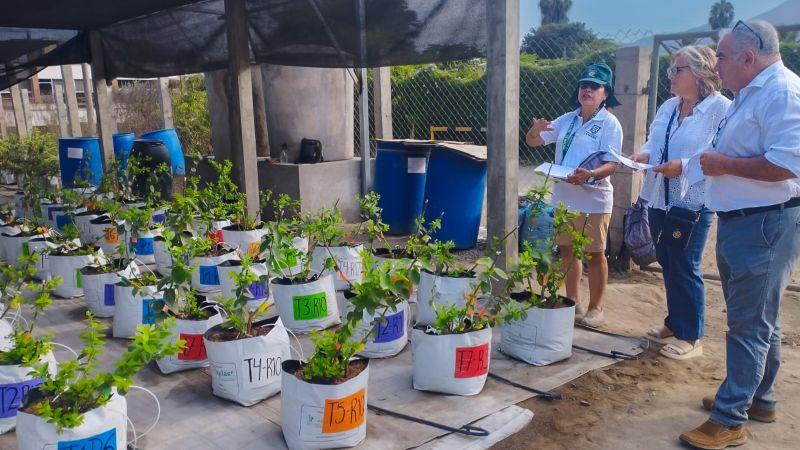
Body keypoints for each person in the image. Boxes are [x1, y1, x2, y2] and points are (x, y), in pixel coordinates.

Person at [679, 21, 800, 449]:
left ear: (749, 58)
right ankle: (759, 398)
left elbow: (788, 165)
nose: (717, 64)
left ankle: (730, 418)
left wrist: (725, 165)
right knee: (756, 317)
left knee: (749, 324)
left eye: (723, 56)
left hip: (765, 223)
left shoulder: (783, 94)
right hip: (744, 220)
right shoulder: (752, 92)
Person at [631, 46, 731, 360]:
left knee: (685, 264)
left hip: (692, 200)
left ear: (700, 74)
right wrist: (645, 154)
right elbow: (654, 139)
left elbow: (718, 154)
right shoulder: (670, 107)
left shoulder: (721, 110)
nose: (671, 76)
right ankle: (674, 324)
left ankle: (691, 336)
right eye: (671, 70)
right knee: (668, 261)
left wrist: (684, 166)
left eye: (678, 70)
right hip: (660, 196)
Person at [525, 62, 622, 327]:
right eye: (583, 85)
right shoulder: (567, 119)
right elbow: (533, 142)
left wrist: (589, 176)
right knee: (567, 251)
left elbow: (612, 163)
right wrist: (534, 131)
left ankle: (596, 308)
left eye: (594, 86)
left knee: (594, 253)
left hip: (594, 199)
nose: (587, 90)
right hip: (564, 197)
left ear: (605, 93)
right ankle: (573, 302)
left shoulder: (609, 124)